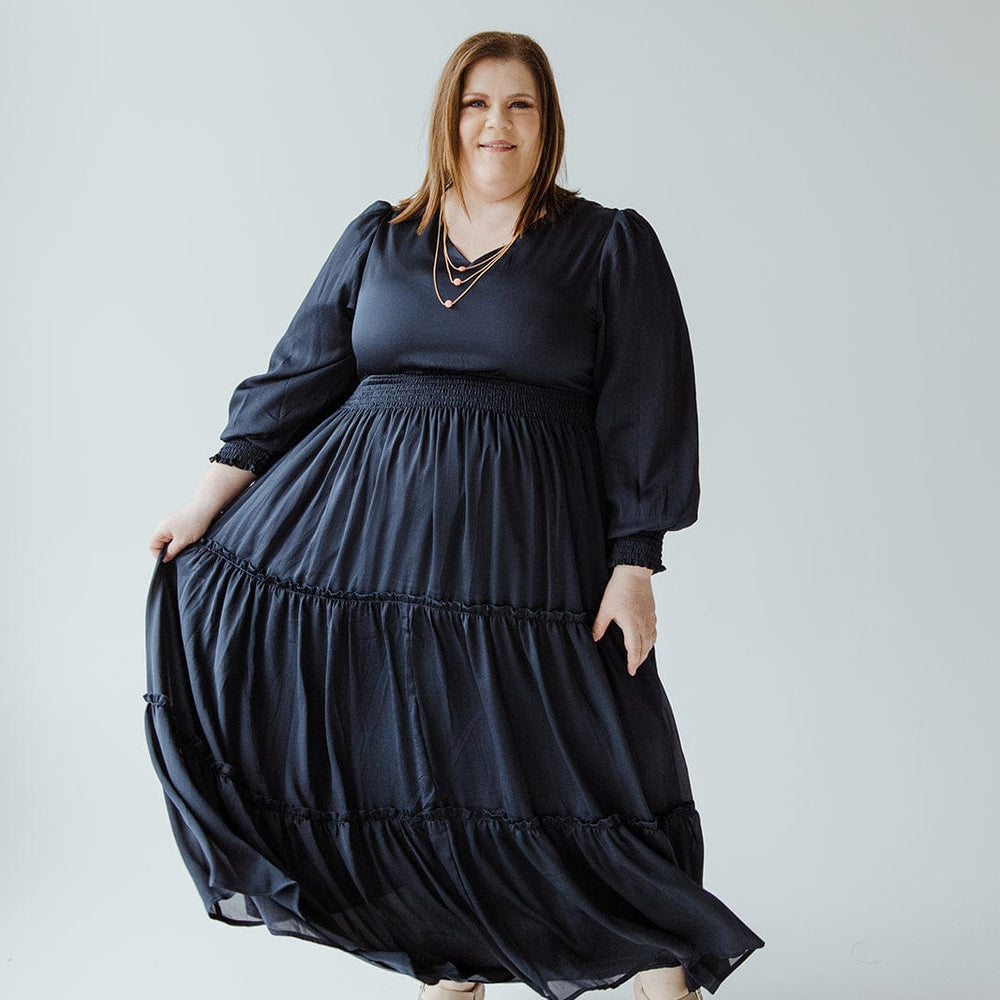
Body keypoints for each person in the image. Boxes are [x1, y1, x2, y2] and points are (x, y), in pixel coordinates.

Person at [144, 29, 764, 1000]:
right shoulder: (381, 239)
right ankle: (449, 971)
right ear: (449, 115)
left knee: (597, 766)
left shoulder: (605, 244)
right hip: (375, 562)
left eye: (519, 104)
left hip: (532, 566)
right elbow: (301, 374)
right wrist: (208, 497)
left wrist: (633, 560)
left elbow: (647, 403)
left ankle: (661, 981)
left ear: (546, 121)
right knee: (410, 767)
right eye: (478, 102)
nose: (496, 123)